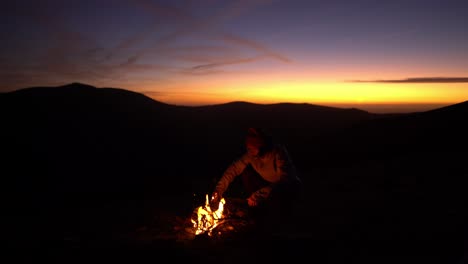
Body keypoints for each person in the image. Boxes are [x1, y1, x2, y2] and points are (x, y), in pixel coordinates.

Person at [211, 127, 303, 233]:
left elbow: (285, 180)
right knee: (246, 172)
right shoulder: (251, 155)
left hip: (287, 187)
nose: (249, 151)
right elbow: (233, 169)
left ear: (261, 146)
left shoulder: (278, 153)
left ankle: (277, 222)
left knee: (279, 202)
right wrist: (218, 191)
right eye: (248, 148)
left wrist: (259, 194)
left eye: (252, 148)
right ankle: (255, 208)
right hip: (267, 184)